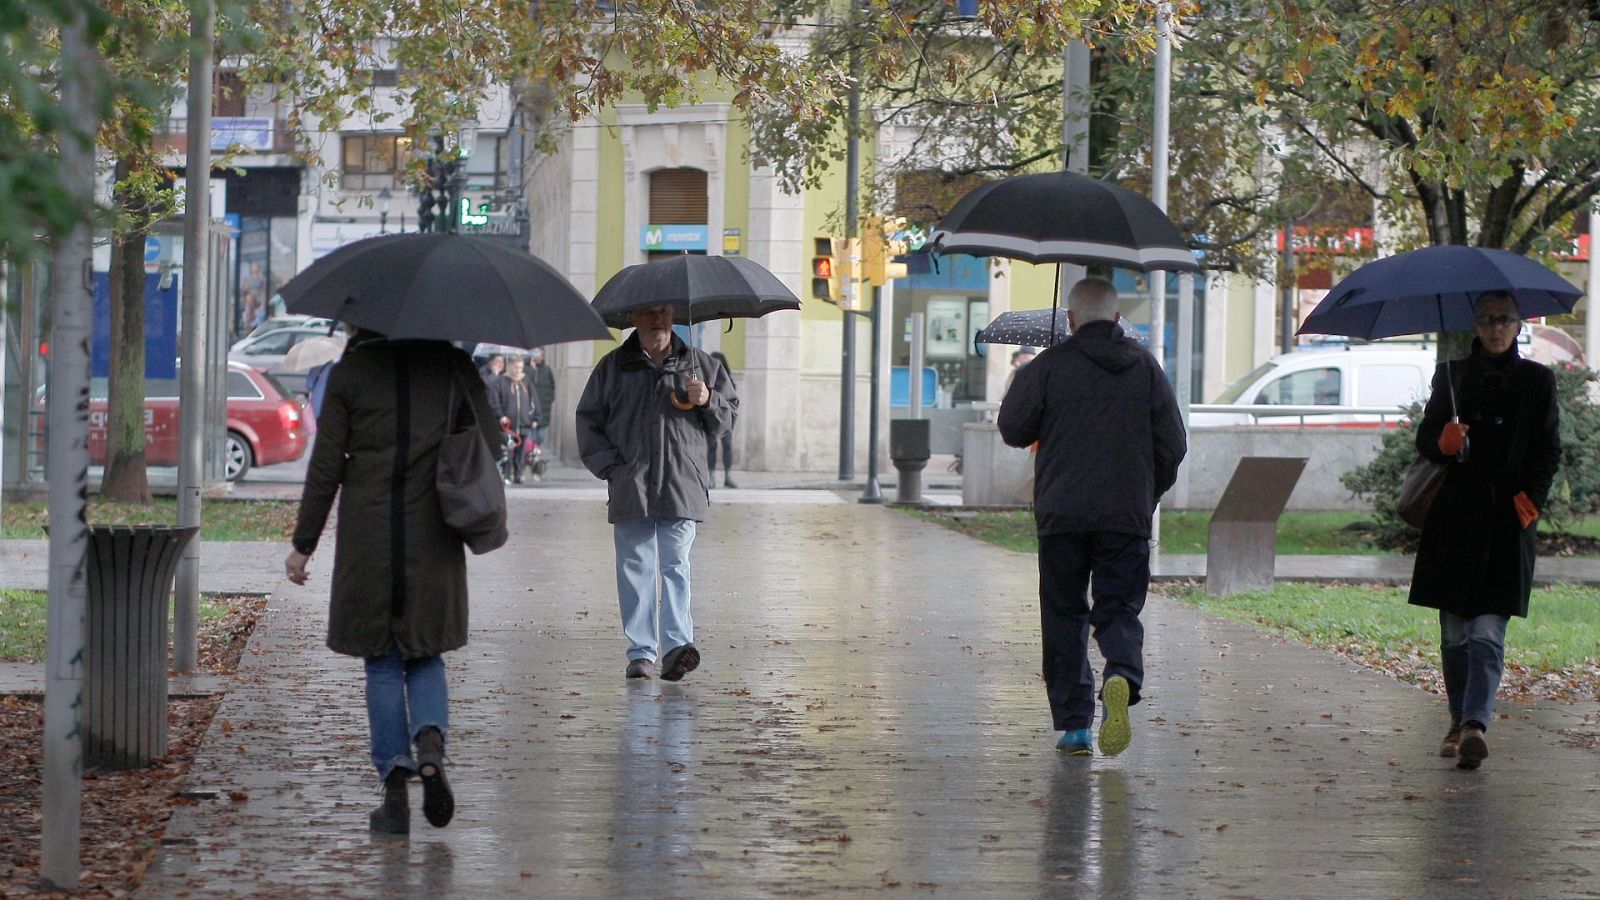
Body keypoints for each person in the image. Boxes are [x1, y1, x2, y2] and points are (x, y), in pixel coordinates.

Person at [285, 328, 499, 834]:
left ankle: (395, 787)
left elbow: (326, 465)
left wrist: (304, 544)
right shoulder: (451, 366)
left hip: (369, 534)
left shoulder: (351, 373)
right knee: (425, 650)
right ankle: (429, 742)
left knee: (381, 660)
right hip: (434, 529)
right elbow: (488, 442)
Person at [997, 277, 1186, 757]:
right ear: (1118, 318)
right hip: (1125, 514)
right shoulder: (1144, 366)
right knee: (1118, 609)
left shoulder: (1050, 366)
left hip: (1062, 514)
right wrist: (1148, 492)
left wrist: (1040, 387)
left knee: (1063, 614)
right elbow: (1173, 444)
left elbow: (1013, 429)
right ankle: (1121, 674)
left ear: (1072, 319)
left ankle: (1075, 726)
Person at [1411, 290, 1560, 771]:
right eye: (1487, 319)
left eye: (1505, 319)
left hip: (1507, 519)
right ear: (1475, 325)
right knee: (1455, 634)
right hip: (1456, 519)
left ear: (1519, 326)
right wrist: (1444, 441)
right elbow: (1426, 443)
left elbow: (1548, 448)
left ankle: (1476, 724)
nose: (1496, 328)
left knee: (1488, 631)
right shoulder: (1452, 377)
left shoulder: (1538, 380)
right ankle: (1457, 721)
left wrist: (1531, 500)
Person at [576, 303, 738, 682]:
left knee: (675, 566)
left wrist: (707, 399)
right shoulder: (613, 368)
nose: (657, 320)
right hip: (632, 484)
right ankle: (641, 652)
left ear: (673, 317)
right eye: (648, 314)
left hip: (682, 483)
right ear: (634, 320)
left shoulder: (701, 365)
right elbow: (588, 422)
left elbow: (727, 418)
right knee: (636, 568)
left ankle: (678, 647)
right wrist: (612, 470)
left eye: (664, 312)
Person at [490, 354, 540, 484]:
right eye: (516, 367)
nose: (519, 370)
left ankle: (518, 474)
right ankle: (507, 474)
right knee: (507, 451)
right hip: (508, 423)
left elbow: (534, 399)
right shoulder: (500, 381)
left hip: (523, 422)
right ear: (510, 366)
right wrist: (500, 416)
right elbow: (495, 401)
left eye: (521, 368)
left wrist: (535, 417)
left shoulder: (526, 381)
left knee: (521, 451)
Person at [707, 350, 738, 488]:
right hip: (711, 416)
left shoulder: (728, 380)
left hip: (725, 417)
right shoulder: (707, 377)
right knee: (712, 447)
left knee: (727, 446)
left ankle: (728, 476)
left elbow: (733, 401)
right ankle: (711, 477)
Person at [528, 347, 557, 450]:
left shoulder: (547, 370)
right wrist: (531, 370)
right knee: (530, 438)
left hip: (543, 409)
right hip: (529, 410)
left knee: (540, 437)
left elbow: (552, 386)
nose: (539, 357)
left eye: (541, 355)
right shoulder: (526, 369)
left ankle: (534, 452)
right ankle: (532, 456)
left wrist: (550, 399)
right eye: (537, 354)